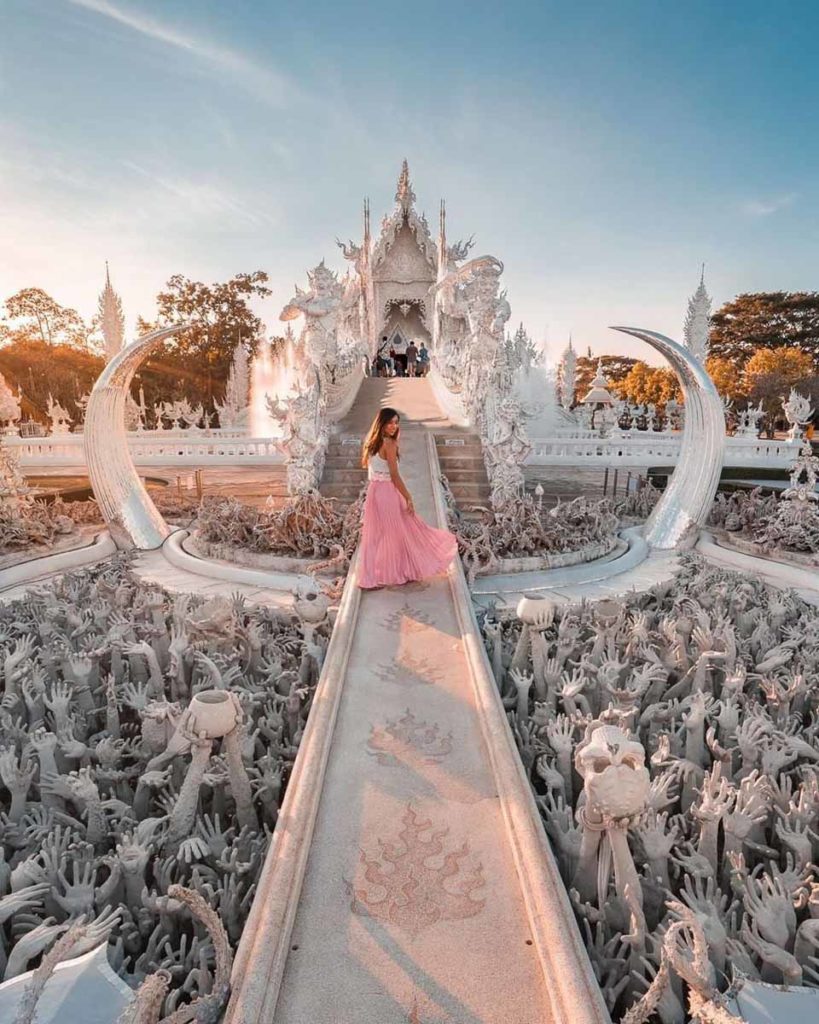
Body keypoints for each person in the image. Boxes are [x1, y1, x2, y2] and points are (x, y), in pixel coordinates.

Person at [358, 407, 458, 589]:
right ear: (382, 423)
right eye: (390, 423)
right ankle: (400, 571)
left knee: (375, 534)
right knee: (400, 531)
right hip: (387, 491)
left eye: (396, 423)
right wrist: (408, 496)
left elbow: (368, 468)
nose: (394, 427)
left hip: (374, 492)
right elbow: (395, 476)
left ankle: (369, 578)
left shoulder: (370, 441)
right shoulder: (389, 444)